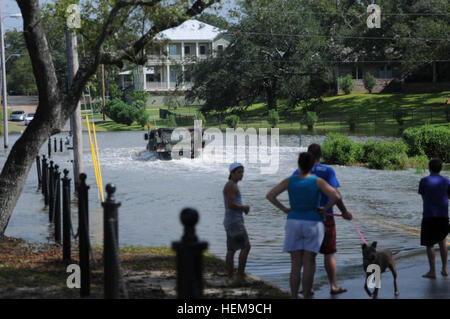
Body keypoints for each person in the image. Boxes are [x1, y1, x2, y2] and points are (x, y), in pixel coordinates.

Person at [266, 152, 340, 298]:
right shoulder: (317, 181)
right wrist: (324, 209)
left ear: (299, 164)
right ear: (312, 165)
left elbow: (270, 196)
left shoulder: (289, 181)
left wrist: (284, 209)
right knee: (309, 263)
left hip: (293, 222)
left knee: (295, 265)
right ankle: (306, 295)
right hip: (313, 222)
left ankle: (294, 296)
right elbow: (336, 196)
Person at [292, 144, 353, 295]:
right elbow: (336, 194)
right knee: (329, 253)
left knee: (309, 256)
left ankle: (308, 288)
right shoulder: (328, 171)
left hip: (305, 219)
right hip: (326, 217)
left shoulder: (298, 172)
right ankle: (333, 286)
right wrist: (344, 212)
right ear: (321, 155)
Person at [418, 158, 450, 278]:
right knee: (443, 242)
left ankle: (432, 271)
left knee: (429, 244)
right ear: (440, 169)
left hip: (429, 215)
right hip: (443, 216)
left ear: (429, 168)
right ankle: (445, 269)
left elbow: (424, 197)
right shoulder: (447, 181)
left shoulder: (424, 181)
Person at [223, 162, 251, 284]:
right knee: (246, 247)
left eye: (242, 172)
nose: (241, 174)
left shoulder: (231, 185)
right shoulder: (231, 186)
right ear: (232, 173)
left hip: (230, 221)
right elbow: (230, 204)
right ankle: (239, 275)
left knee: (232, 250)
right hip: (234, 222)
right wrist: (243, 207)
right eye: (239, 172)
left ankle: (230, 277)